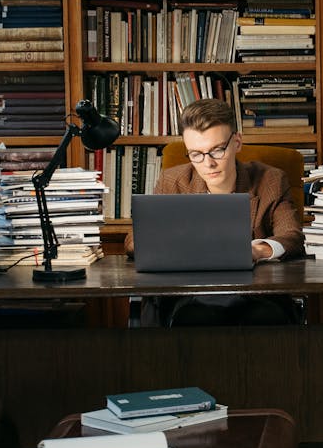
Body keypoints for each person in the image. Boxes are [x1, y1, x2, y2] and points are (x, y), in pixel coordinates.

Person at [125, 98, 304, 325]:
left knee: (263, 319)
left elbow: (292, 236)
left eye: (217, 150)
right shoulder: (173, 181)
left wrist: (257, 251)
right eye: (196, 154)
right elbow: (133, 240)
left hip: (256, 295)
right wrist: (172, 246)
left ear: (237, 142)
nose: (207, 163)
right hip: (189, 297)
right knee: (196, 318)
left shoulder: (271, 180)